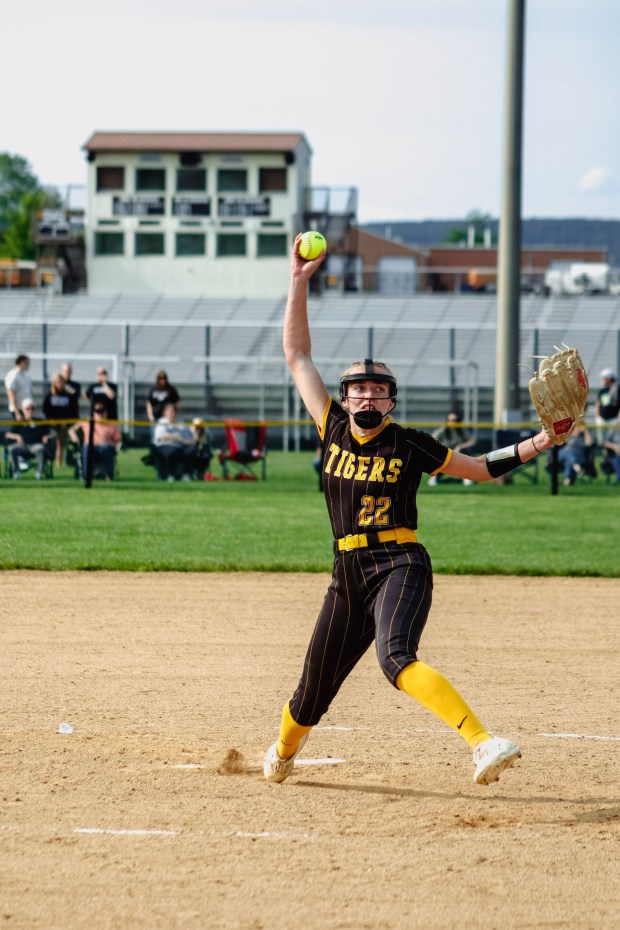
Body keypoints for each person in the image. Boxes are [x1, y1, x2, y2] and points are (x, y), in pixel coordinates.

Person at [263, 234, 555, 789]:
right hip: (346, 576)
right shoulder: (329, 428)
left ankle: (484, 741)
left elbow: (480, 468)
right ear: (344, 399)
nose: (367, 399)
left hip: (400, 562)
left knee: (396, 658)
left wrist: (539, 441)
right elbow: (297, 355)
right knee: (310, 695)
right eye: (358, 391)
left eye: (378, 392)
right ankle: (280, 751)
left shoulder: (410, 443)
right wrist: (299, 282)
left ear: (391, 400)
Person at [68, 404, 122, 481]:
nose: (101, 414)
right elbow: (71, 430)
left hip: (105, 447)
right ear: (93, 413)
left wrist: (115, 445)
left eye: (102, 411)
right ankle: (86, 475)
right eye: (98, 411)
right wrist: (75, 439)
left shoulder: (112, 424)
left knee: (107, 447)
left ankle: (109, 476)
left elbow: (118, 440)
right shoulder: (87, 421)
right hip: (90, 446)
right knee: (87, 447)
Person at [5, 399, 55, 479]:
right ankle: (16, 472)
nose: (30, 411)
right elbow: (8, 434)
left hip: (36, 446)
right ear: (23, 410)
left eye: (32, 408)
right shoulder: (19, 422)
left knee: (40, 448)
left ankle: (39, 473)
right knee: (12, 448)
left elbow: (52, 433)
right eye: (28, 409)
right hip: (22, 446)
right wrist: (17, 436)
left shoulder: (40, 421)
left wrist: (47, 437)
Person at [428, 411, 476, 486]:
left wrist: (460, 446)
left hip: (459, 454)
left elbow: (472, 441)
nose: (452, 422)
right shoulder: (444, 429)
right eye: (450, 420)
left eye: (454, 420)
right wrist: (442, 447)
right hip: (446, 454)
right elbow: (432, 438)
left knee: (465, 452)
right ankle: (435, 476)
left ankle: (467, 477)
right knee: (438, 455)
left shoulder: (461, 429)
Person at [153, 403, 196, 481]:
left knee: (191, 450)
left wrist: (187, 441)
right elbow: (161, 436)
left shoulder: (181, 423)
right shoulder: (162, 422)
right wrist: (176, 437)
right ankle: (170, 475)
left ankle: (186, 474)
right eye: (170, 412)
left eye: (174, 412)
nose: (173, 414)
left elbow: (188, 437)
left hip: (181, 445)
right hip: (165, 446)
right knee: (171, 451)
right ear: (165, 413)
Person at [43, 372, 73, 467]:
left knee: (61, 444)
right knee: (52, 443)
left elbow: (71, 410)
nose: (59, 384)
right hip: (52, 424)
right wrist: (50, 420)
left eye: (61, 382)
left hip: (63, 424)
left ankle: (58, 463)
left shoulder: (67, 396)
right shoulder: (50, 395)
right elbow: (46, 409)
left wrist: (66, 422)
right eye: (57, 382)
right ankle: (50, 461)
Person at [4, 354, 33, 419]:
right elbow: (11, 395)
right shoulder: (12, 376)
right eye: (26, 363)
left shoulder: (26, 376)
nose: (28, 365)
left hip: (27, 409)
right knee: (17, 428)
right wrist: (17, 412)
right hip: (18, 409)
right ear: (21, 362)